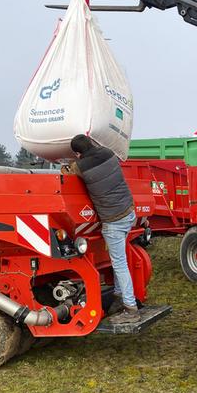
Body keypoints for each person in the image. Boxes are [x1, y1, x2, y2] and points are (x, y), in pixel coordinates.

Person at [68, 134, 140, 322]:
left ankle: (130, 308)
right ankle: (117, 296)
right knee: (120, 259)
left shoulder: (80, 167)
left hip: (113, 220)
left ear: (77, 153)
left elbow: (66, 176)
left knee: (119, 264)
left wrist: (70, 163)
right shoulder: (108, 153)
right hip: (129, 212)